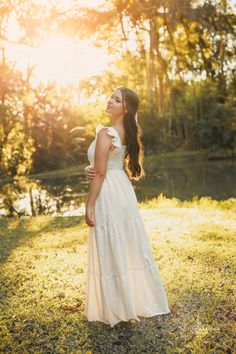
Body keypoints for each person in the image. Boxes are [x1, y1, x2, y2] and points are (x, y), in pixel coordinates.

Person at [84, 87, 170, 328]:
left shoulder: (106, 134)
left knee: (112, 244)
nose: (110, 100)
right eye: (111, 96)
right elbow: (99, 168)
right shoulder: (119, 132)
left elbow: (100, 174)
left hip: (109, 192)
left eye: (117, 99)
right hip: (121, 188)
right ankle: (133, 300)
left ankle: (117, 305)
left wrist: (89, 205)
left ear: (127, 108)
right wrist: (87, 170)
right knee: (125, 244)